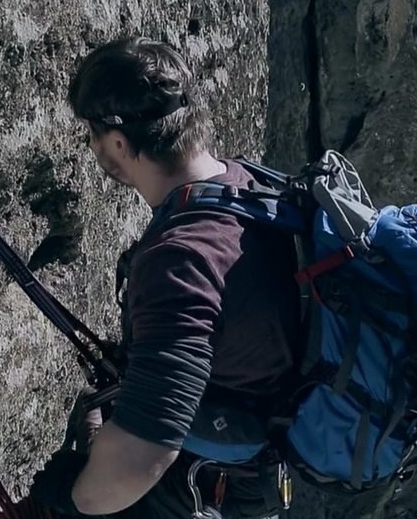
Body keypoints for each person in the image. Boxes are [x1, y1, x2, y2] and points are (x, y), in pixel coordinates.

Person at [27, 36, 302, 519]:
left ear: (118, 142)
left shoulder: (180, 261)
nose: (93, 146)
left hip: (206, 483)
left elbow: (144, 457)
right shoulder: (249, 185)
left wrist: (66, 499)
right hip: (256, 452)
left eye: (92, 134)